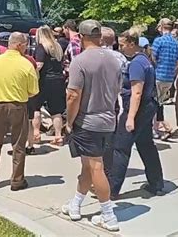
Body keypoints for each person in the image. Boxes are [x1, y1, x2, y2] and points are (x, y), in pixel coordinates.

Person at [62, 20, 122, 232]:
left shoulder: (80, 61)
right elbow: (117, 90)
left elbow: (73, 95)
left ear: (80, 36)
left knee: (96, 166)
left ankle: (108, 214)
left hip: (88, 120)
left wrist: (69, 121)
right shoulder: (116, 60)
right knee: (88, 165)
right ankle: (76, 204)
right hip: (109, 119)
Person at [108, 27, 164, 198]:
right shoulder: (145, 60)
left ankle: (111, 189)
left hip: (138, 109)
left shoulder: (137, 64)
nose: (121, 48)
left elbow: (136, 92)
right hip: (148, 107)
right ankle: (156, 182)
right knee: (146, 145)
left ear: (132, 44)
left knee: (121, 148)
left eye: (123, 44)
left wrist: (130, 117)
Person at [0, 32, 39, 192]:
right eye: (26, 45)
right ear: (19, 45)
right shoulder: (26, 64)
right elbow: (33, 91)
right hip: (17, 106)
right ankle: (17, 180)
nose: (26, 48)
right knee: (19, 144)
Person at [33, 26, 66, 146]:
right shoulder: (57, 47)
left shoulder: (41, 47)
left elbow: (39, 65)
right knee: (56, 110)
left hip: (44, 80)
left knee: (36, 108)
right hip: (58, 80)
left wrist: (32, 75)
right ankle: (58, 136)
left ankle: (36, 134)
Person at [152, 18, 178, 136]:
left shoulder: (158, 41)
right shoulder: (176, 43)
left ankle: (155, 129)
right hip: (169, 78)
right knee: (159, 102)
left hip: (158, 75)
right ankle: (159, 126)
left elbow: (152, 57)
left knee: (153, 103)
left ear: (161, 27)